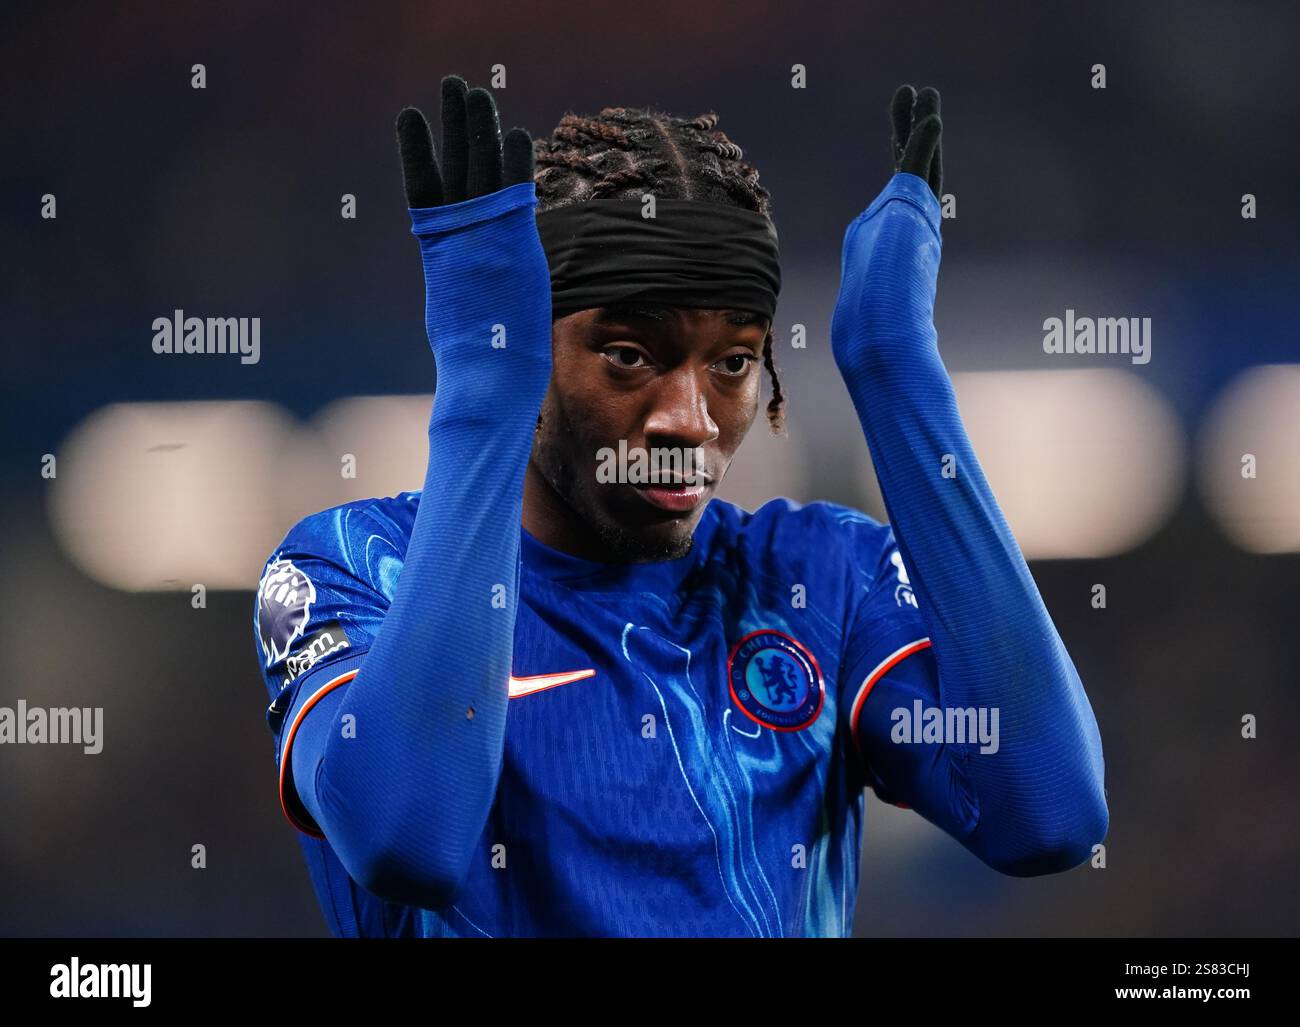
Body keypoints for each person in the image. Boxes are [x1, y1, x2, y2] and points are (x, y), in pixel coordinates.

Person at [252, 74, 1108, 937]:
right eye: (629, 355)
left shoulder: (818, 578)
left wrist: (900, 375)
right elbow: (408, 838)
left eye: (733, 363)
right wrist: (482, 392)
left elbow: (1048, 814)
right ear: (525, 347)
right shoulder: (356, 565)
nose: (688, 420)